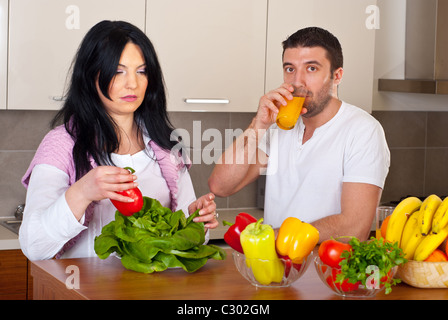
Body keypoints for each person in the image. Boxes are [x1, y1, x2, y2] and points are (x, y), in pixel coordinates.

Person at [20, 20, 218, 260]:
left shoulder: (167, 144)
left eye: (142, 71)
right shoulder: (60, 144)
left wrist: (196, 222)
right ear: (90, 75)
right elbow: (34, 247)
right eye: (118, 71)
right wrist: (82, 192)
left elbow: (184, 239)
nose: (132, 83)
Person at [209, 27, 390, 242]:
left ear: (337, 75)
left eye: (311, 68)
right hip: (275, 272)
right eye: (290, 69)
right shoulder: (278, 128)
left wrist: (266, 239)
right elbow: (221, 186)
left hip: (326, 272)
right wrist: (258, 125)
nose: (297, 82)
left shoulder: (363, 130)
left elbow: (354, 226)